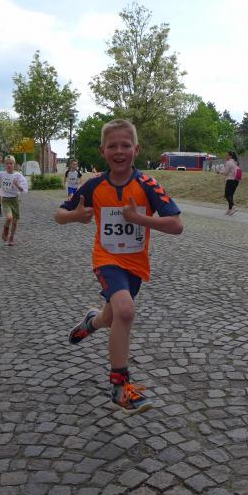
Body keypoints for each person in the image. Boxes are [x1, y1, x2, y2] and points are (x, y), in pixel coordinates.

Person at [55, 119, 183, 414]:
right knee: (125, 311)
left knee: (112, 317)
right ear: (103, 151)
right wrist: (75, 216)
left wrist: (140, 219)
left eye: (126, 145)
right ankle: (119, 387)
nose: (119, 151)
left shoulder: (147, 185)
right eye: (112, 146)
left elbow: (176, 225)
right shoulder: (94, 185)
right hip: (106, 259)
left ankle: (92, 322)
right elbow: (59, 214)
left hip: (135, 265)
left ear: (136, 149)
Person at [0, 155, 28, 245]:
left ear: (14, 164)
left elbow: (24, 190)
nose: (9, 165)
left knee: (14, 222)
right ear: (5, 165)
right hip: (6, 199)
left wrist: (17, 185)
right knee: (9, 217)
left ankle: (11, 237)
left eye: (11, 163)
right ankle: (5, 229)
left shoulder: (18, 176)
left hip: (15, 200)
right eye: (7, 163)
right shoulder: (1, 174)